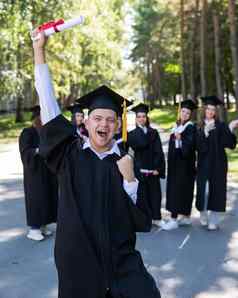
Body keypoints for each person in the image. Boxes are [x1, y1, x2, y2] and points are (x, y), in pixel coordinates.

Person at [33, 30, 160, 298]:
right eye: (98, 118)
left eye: (110, 120)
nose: (103, 124)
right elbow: (48, 105)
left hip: (121, 262)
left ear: (117, 126)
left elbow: (144, 221)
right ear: (87, 122)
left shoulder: (126, 163)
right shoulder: (69, 155)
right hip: (78, 262)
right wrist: (39, 51)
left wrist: (131, 182)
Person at [196, 96, 237, 231]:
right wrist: (205, 133)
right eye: (208, 108)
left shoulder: (220, 125)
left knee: (217, 191)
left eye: (213, 109)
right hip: (204, 164)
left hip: (219, 164)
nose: (211, 111)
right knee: (204, 191)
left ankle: (214, 220)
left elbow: (230, 144)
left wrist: (230, 129)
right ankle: (202, 213)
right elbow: (197, 147)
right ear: (204, 109)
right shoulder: (198, 126)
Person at [19, 105, 58, 241]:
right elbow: (25, 152)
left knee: (47, 197)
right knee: (36, 198)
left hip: (47, 171)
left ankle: (43, 225)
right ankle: (34, 229)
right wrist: (37, 150)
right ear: (36, 118)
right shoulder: (27, 133)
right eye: (41, 117)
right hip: (34, 173)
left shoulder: (45, 132)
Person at [128, 103, 165, 228]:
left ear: (147, 117)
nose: (141, 119)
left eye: (143, 116)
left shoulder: (153, 132)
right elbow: (134, 148)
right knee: (143, 195)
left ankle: (156, 218)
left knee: (155, 194)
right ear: (136, 118)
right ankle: (145, 219)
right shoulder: (131, 134)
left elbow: (159, 151)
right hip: (140, 169)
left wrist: (158, 169)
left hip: (153, 169)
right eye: (139, 116)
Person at [162, 100, 197, 231]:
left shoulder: (190, 127)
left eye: (188, 112)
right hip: (176, 165)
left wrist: (179, 139)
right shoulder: (177, 125)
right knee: (180, 190)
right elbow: (172, 148)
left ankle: (174, 219)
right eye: (183, 111)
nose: (185, 114)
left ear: (190, 114)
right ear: (180, 112)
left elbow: (189, 147)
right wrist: (176, 138)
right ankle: (186, 217)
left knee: (180, 190)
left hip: (185, 166)